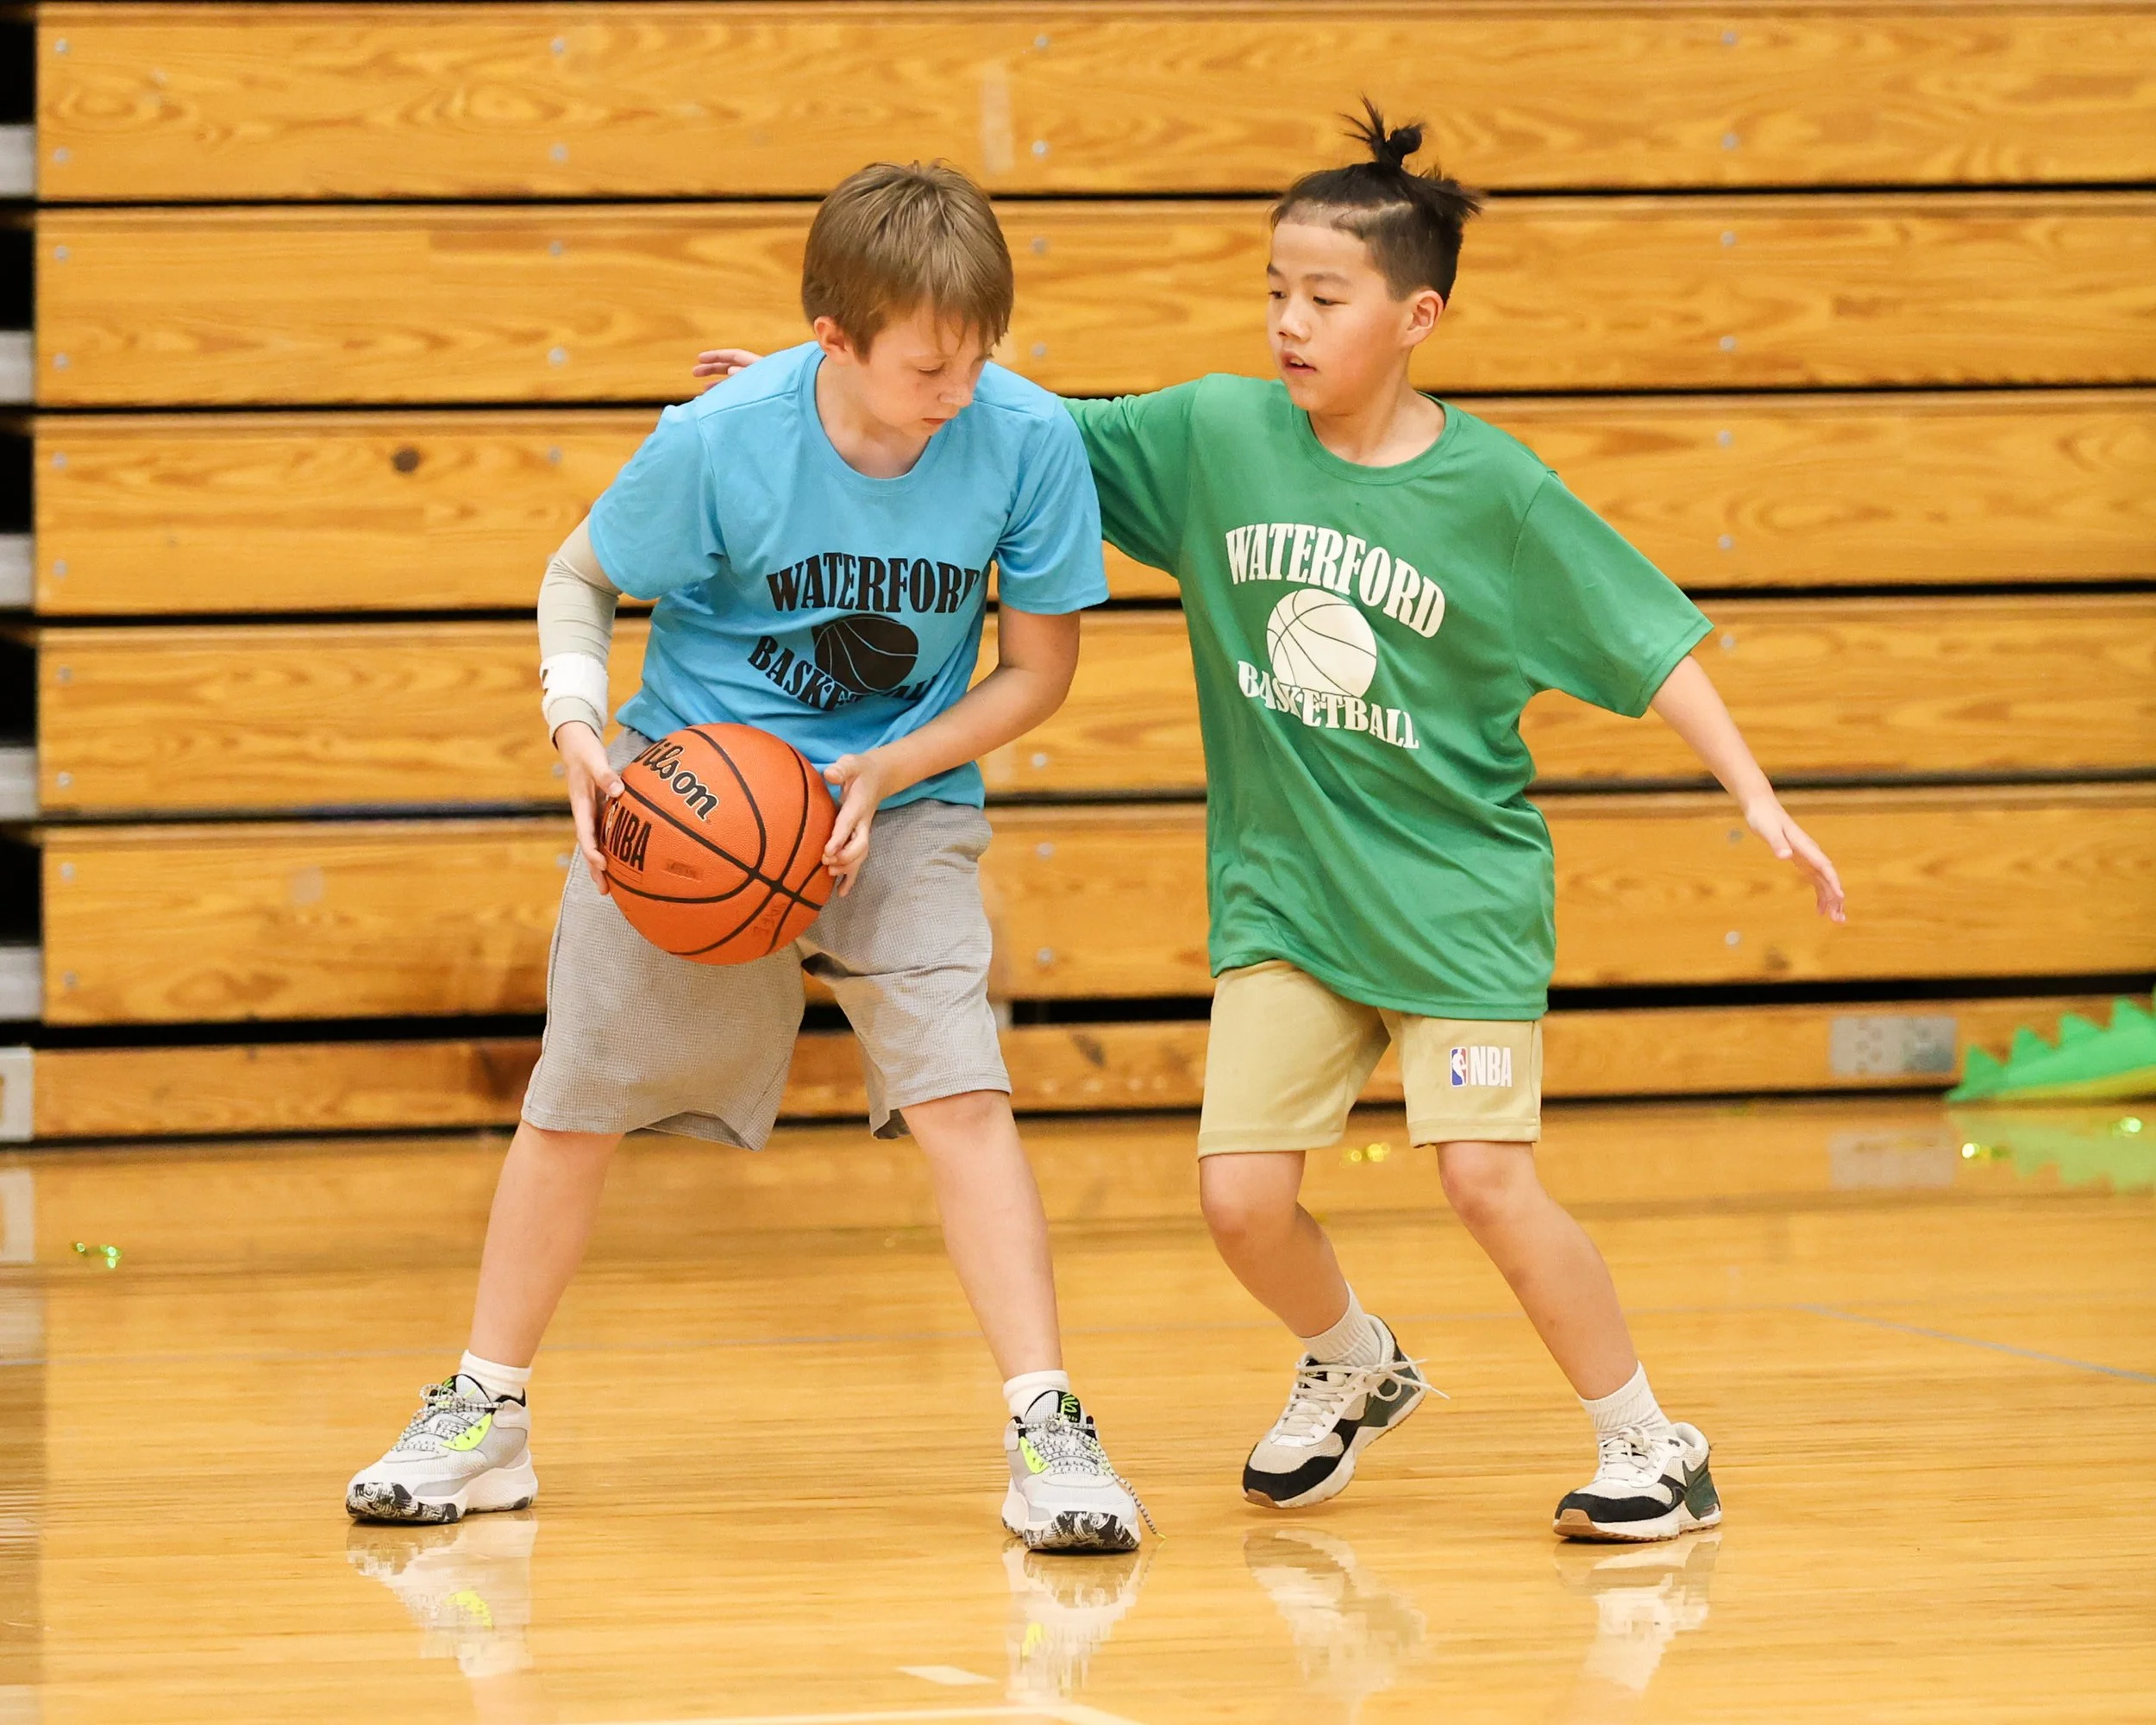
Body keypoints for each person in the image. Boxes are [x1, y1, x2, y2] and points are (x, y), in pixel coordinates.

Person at [693, 104, 1845, 1542]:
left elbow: (1649, 641)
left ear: (1417, 316)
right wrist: (820, 400)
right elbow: (1008, 420)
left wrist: (1755, 795)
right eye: (1275, 293)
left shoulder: (1494, 492)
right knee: (1240, 1204)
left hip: (1455, 902)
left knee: (1486, 1180)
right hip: (1288, 900)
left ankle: (1651, 1445)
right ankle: (1355, 1365)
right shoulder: (1218, 434)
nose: (1289, 323)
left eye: (1325, 297)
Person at [348, 160, 1147, 1553]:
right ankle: (484, 1412)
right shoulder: (722, 437)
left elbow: (1039, 673)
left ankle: (1048, 1427)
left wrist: (895, 764)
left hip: (902, 800)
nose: (954, 389)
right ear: (831, 340)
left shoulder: (1023, 438)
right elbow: (579, 575)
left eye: (976, 359)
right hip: (698, 801)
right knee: (573, 1101)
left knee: (963, 1091)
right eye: (923, 366)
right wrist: (575, 722)